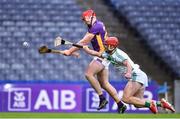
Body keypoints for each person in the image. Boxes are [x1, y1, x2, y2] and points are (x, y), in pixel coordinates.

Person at [83, 36, 175, 114]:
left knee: (125, 98)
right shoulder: (108, 53)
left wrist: (128, 72)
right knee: (137, 103)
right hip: (141, 75)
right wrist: (87, 50)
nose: (105, 46)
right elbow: (97, 54)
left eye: (107, 45)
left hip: (136, 75)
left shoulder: (118, 54)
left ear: (112, 46)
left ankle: (151, 104)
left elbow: (127, 63)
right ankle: (161, 104)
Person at [62, 9, 126, 113]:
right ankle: (120, 104)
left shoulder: (97, 26)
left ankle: (102, 98)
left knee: (88, 74)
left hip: (102, 55)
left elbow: (83, 42)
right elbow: (83, 42)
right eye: (84, 19)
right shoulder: (93, 27)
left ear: (93, 16)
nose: (85, 21)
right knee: (105, 84)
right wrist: (71, 52)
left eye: (87, 18)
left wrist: (69, 51)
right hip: (104, 55)